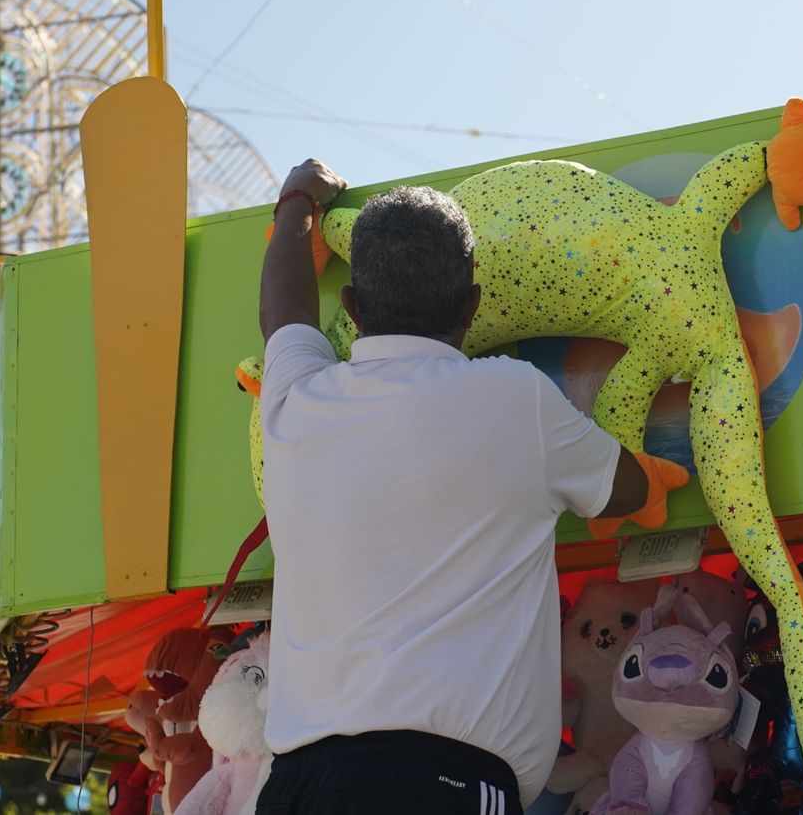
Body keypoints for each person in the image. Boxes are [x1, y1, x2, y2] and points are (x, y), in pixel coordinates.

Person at [254, 159, 688, 814]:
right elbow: (625, 490)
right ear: (473, 306)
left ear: (351, 306)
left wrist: (298, 202)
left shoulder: (298, 399)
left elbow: (284, 312)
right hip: (448, 785)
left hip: (301, 787)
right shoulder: (513, 397)